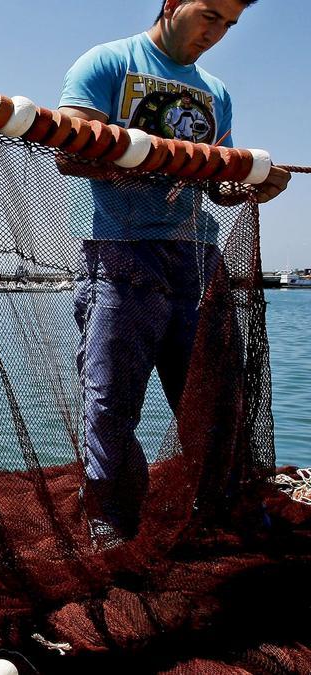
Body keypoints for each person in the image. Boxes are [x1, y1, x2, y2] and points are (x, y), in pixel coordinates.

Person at [57, 0, 290, 545]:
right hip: (123, 254)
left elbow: (219, 186)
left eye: (229, 24)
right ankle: (110, 519)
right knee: (112, 399)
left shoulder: (216, 92)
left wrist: (253, 184)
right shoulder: (107, 63)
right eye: (210, 15)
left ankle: (220, 507)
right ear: (171, 5)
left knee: (215, 398)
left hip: (200, 263)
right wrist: (161, 154)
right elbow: (68, 150)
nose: (218, 32)